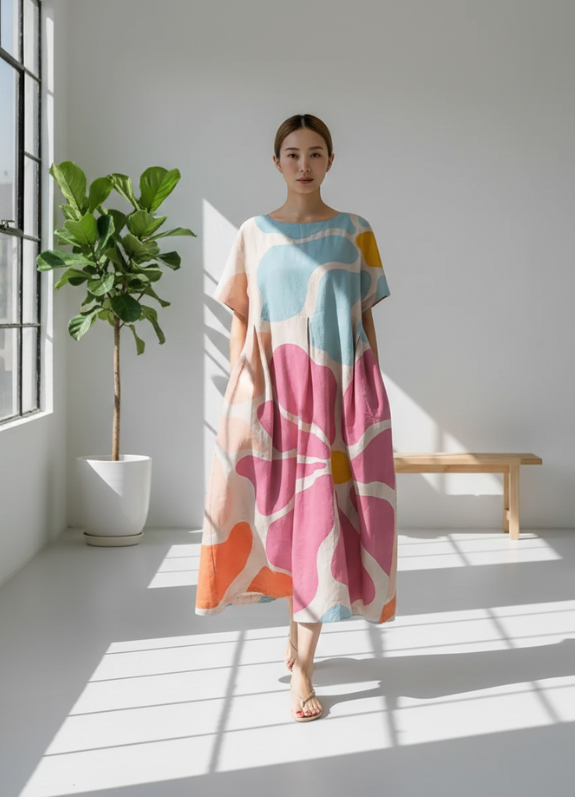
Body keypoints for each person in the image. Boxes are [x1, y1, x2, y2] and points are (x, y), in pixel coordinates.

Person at [196, 114, 397, 723]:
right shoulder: (253, 233)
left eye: (315, 153)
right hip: (270, 392)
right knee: (274, 518)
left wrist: (372, 400)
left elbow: (365, 322)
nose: (303, 164)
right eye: (292, 153)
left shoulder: (355, 231)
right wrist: (239, 388)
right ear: (277, 162)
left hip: (337, 398)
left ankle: (303, 667)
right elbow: (240, 315)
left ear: (330, 160)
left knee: (324, 518)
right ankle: (294, 630)